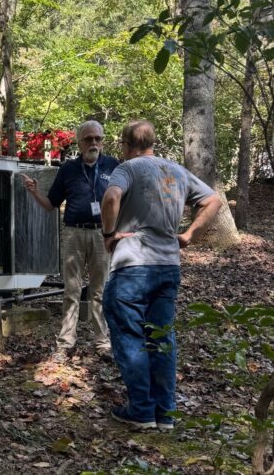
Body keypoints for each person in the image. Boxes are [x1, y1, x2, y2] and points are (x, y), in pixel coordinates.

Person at [100, 120, 221, 431]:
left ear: (126, 145)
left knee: (130, 337)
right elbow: (213, 200)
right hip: (168, 265)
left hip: (133, 265)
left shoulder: (127, 169)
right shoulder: (176, 171)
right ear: (152, 143)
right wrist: (189, 234)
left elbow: (111, 198)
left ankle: (141, 410)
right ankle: (165, 412)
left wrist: (109, 235)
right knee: (161, 338)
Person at [23, 120, 118, 362]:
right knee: (71, 291)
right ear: (79, 142)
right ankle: (66, 343)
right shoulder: (68, 169)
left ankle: (102, 343)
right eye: (88, 139)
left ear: (103, 140)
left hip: (102, 234)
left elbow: (123, 201)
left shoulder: (114, 166)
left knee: (100, 291)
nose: (94, 143)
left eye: (98, 138)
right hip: (74, 233)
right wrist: (34, 192)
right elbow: (50, 205)